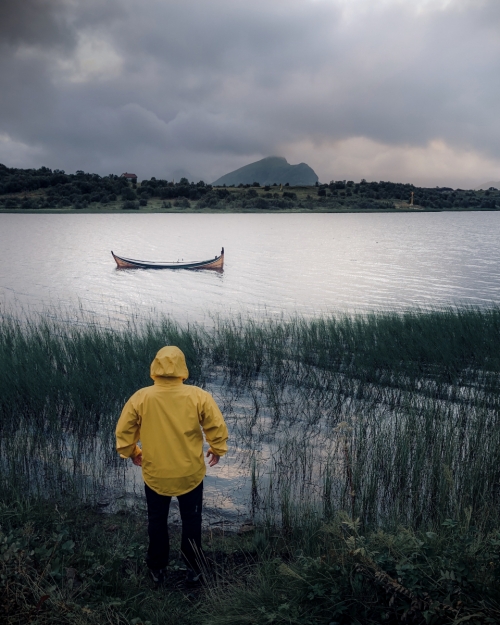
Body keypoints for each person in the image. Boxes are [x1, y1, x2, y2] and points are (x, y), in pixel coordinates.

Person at [115, 345, 228, 586]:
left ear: (155, 367)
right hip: (190, 474)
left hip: (156, 474)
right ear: (182, 368)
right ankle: (194, 569)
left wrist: (132, 452)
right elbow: (216, 427)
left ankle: (157, 569)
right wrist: (217, 449)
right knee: (191, 521)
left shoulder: (141, 397)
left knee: (157, 521)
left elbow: (124, 432)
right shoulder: (198, 395)